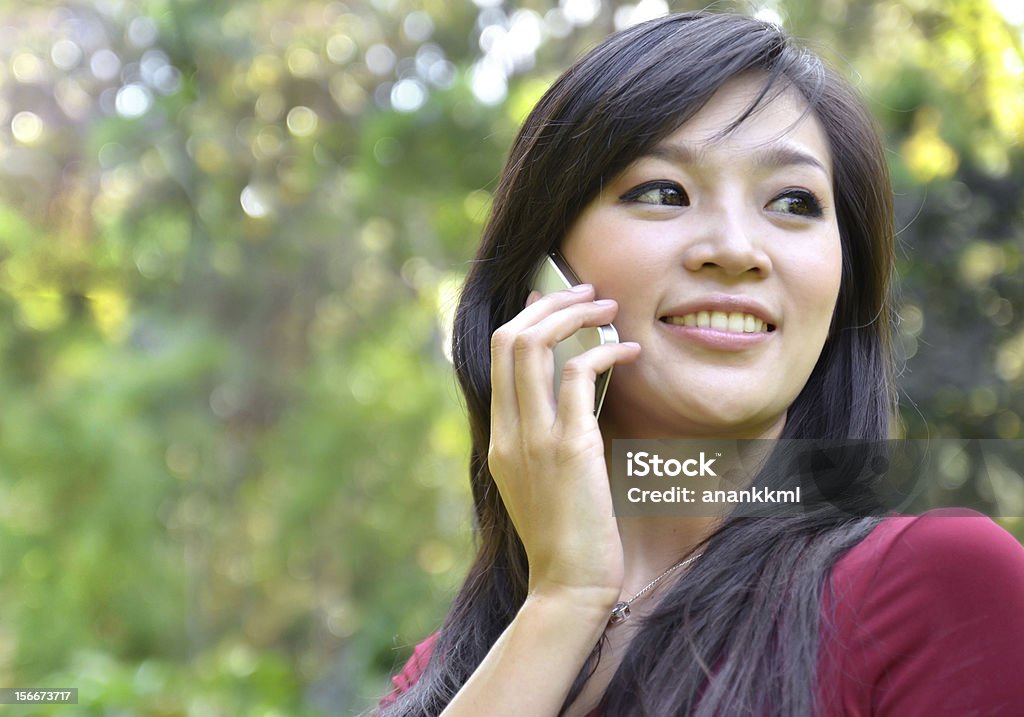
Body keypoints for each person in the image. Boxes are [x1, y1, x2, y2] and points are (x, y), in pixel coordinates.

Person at [374, 11, 1024, 717]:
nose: (737, 248)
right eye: (663, 193)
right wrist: (564, 601)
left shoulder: (941, 588)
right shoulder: (451, 670)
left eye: (794, 202)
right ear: (542, 270)